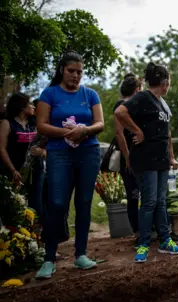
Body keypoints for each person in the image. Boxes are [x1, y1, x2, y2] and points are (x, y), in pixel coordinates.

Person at [35, 51, 105, 279]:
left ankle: (81, 254)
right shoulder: (49, 93)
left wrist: (84, 130)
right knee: (56, 203)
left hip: (88, 152)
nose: (76, 76)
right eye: (71, 71)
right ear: (62, 70)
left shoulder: (90, 94)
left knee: (84, 201)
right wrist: (68, 132)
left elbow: (100, 124)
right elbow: (42, 126)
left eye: (79, 72)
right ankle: (49, 258)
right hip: (59, 154)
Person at [115, 62, 178, 263]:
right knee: (149, 202)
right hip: (145, 159)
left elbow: (168, 133)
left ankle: (165, 240)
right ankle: (143, 243)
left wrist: (171, 156)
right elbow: (120, 112)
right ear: (164, 82)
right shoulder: (143, 97)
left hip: (161, 159)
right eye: (168, 81)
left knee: (161, 201)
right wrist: (137, 131)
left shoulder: (162, 103)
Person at [0, 93, 45, 216]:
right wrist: (13, 170)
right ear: (22, 107)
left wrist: (43, 152)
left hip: (36, 169)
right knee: (14, 203)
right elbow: (2, 148)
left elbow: (46, 143)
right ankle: (15, 234)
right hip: (15, 171)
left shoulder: (35, 123)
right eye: (30, 104)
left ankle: (36, 233)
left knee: (36, 204)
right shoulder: (7, 123)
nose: (33, 107)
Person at [113, 74, 142, 245]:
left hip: (139, 155)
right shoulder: (121, 106)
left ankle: (146, 229)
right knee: (133, 195)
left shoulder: (134, 105)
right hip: (129, 157)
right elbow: (119, 134)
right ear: (137, 89)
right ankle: (137, 231)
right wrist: (128, 157)